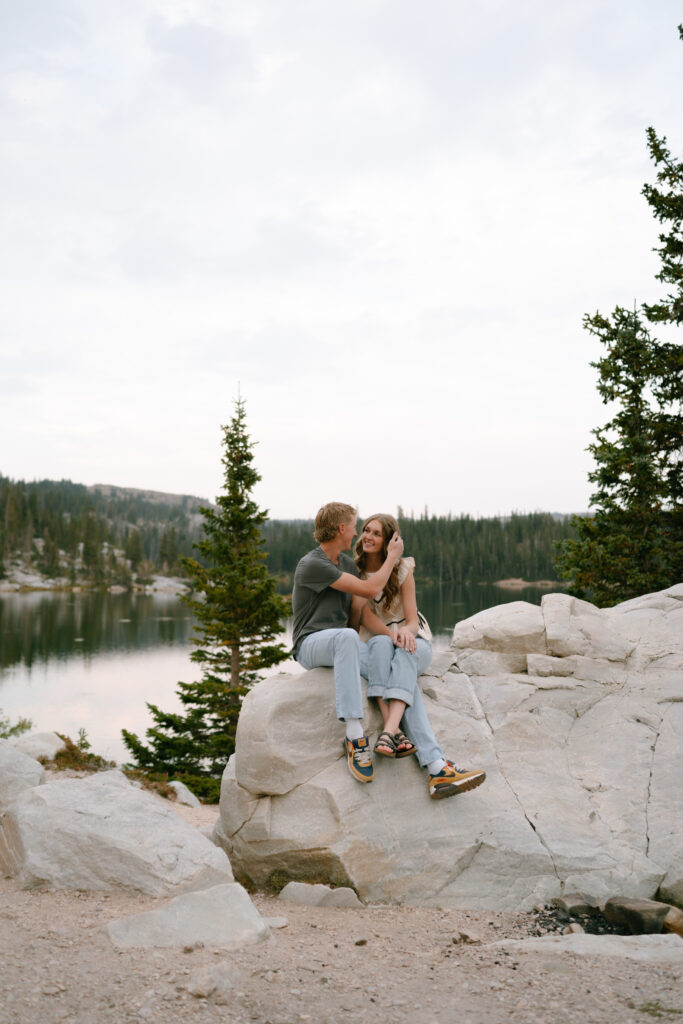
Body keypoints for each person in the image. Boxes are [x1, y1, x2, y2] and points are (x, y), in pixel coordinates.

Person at [353, 513, 486, 800]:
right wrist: (392, 636)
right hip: (378, 642)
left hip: (413, 639)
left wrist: (404, 633)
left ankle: (390, 730)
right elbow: (365, 619)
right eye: (365, 530)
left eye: (375, 533)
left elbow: (412, 619)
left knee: (404, 656)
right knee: (398, 670)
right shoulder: (356, 574)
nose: (367, 536)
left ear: (389, 541)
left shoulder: (403, 569)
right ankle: (437, 769)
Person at [291, 502, 404, 784]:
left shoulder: (346, 564)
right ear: (342, 528)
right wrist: (392, 557)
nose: (356, 532)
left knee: (391, 662)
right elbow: (371, 588)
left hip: (342, 644)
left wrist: (392, 638)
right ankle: (354, 736)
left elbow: (359, 610)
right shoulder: (312, 564)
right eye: (354, 526)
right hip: (309, 645)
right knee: (346, 637)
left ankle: (397, 732)